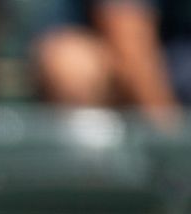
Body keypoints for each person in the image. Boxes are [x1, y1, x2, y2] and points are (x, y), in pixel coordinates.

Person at [36, 0, 191, 125]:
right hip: (120, 73)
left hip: (177, 63)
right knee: (73, 66)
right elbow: (130, 46)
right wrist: (170, 136)